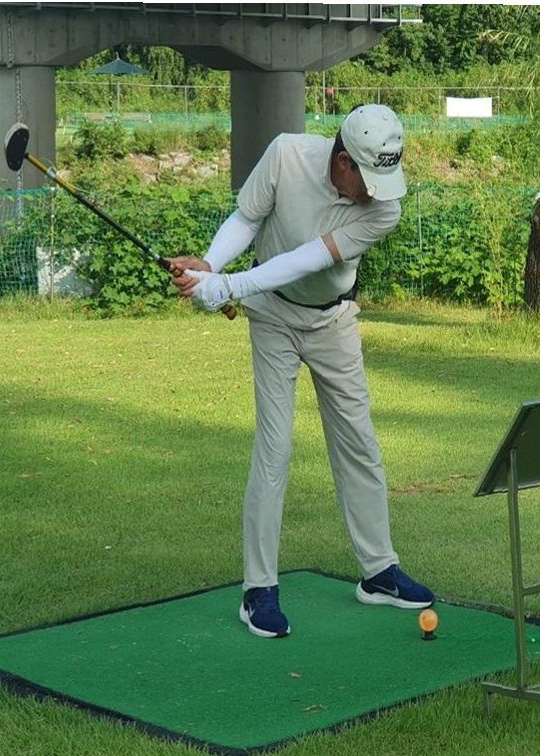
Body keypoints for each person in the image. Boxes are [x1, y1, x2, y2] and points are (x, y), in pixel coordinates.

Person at [167, 104, 435, 639]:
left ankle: (378, 571)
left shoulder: (384, 210)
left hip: (334, 320)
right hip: (273, 318)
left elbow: (310, 258)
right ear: (344, 162)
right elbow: (247, 220)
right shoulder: (286, 155)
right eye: (369, 179)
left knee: (359, 442)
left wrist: (228, 287)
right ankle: (258, 590)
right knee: (275, 448)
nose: (377, 193)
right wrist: (211, 267)